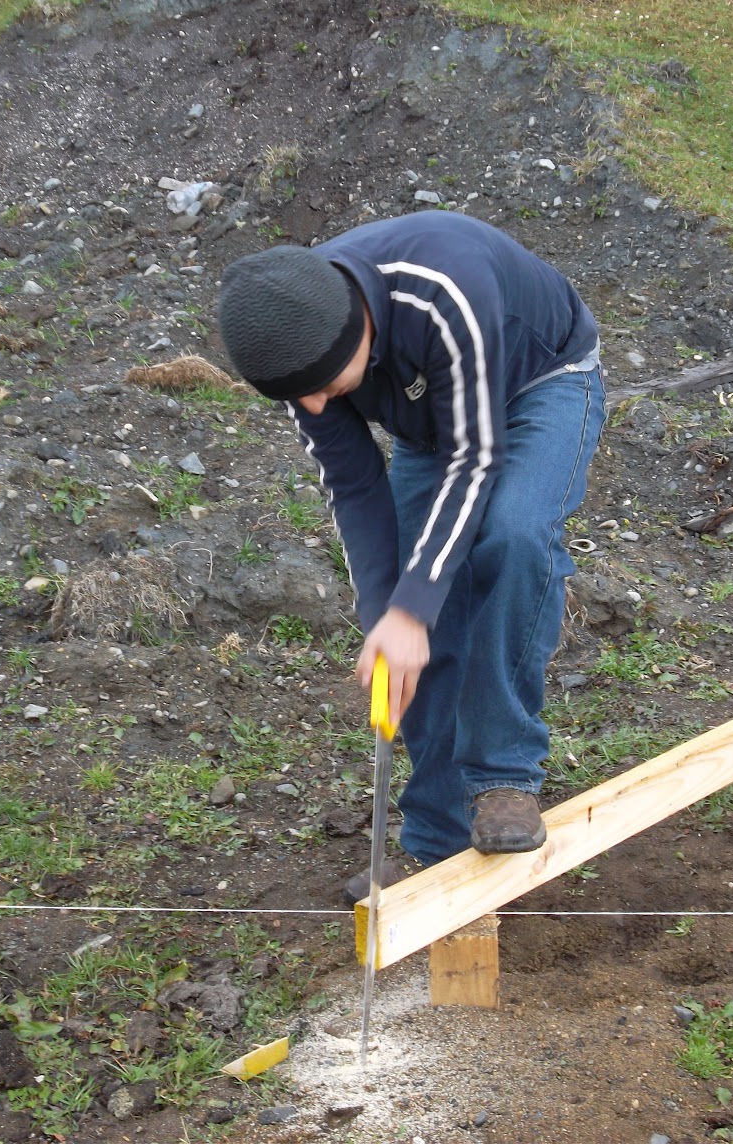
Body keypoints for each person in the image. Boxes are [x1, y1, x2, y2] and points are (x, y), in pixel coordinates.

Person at [216, 211, 605, 901]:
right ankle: (437, 843)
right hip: (432, 423)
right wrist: (389, 613)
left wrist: (412, 606)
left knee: (514, 535)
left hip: (540, 382)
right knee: (415, 609)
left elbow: (474, 457)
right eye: (296, 396)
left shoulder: (442, 289)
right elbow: (353, 487)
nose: (313, 404)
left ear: (355, 329)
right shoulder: (297, 352)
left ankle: (503, 774)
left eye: (321, 384)